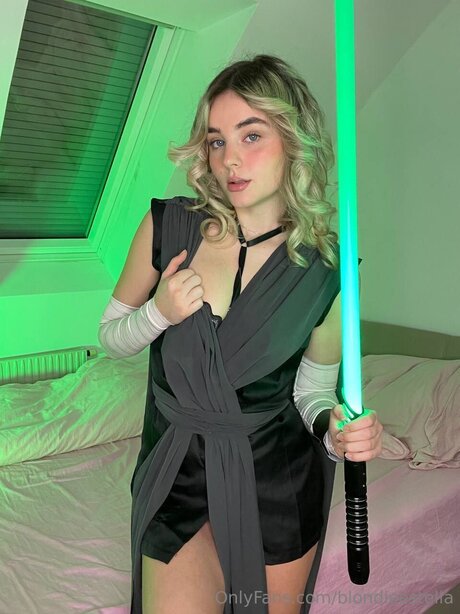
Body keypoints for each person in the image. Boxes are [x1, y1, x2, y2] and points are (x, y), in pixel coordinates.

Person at [98, 54, 383, 614]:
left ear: (293, 141)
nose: (230, 158)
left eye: (251, 135)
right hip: (176, 472)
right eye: (217, 141)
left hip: (276, 483)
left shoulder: (329, 271)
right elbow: (110, 338)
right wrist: (158, 314)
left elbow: (311, 392)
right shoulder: (168, 226)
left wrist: (336, 431)